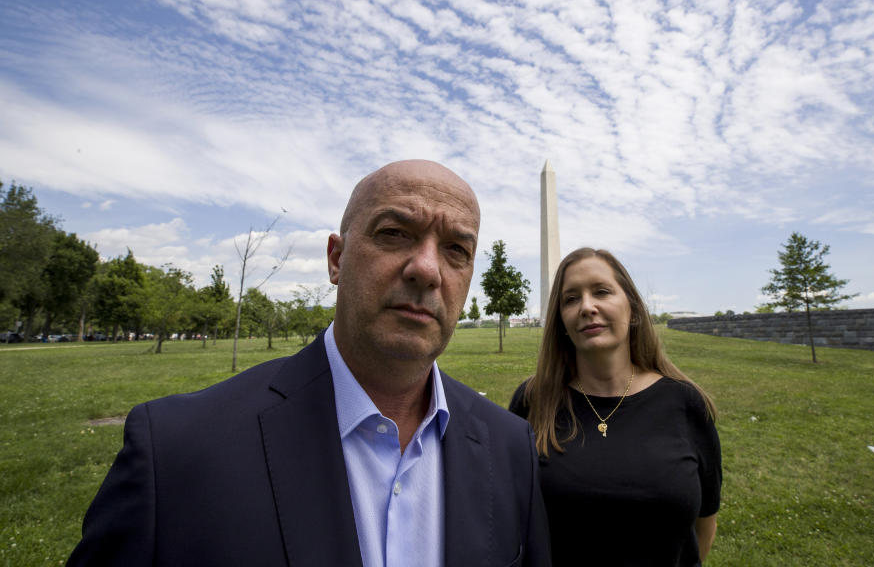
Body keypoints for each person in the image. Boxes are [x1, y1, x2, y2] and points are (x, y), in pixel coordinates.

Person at [68, 160, 550, 567]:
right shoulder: (174, 452)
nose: (426, 269)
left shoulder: (510, 449)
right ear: (335, 260)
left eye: (456, 250)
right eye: (394, 233)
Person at [509, 247, 721, 567]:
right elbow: (508, 518)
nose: (587, 306)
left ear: (633, 309)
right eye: (570, 299)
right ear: (561, 322)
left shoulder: (686, 403)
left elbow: (705, 523)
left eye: (602, 291)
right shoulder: (533, 400)